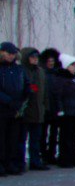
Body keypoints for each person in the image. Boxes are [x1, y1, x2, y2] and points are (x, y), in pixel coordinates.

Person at [50, 53, 75, 168]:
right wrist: (60, 110)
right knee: (66, 136)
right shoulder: (61, 79)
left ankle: (74, 159)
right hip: (66, 112)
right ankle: (65, 159)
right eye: (72, 65)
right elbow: (58, 96)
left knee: (74, 137)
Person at [0, 42, 29, 176]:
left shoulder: (19, 69)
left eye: (13, 54)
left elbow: (26, 84)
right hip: (3, 109)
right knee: (2, 138)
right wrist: (8, 100)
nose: (11, 56)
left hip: (16, 110)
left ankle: (10, 163)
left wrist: (26, 94)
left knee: (13, 138)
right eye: (8, 53)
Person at [17, 47, 47, 172]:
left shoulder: (40, 71)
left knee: (36, 139)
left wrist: (45, 107)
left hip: (38, 110)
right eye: (32, 57)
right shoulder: (22, 71)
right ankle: (20, 162)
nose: (35, 60)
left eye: (36, 57)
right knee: (21, 140)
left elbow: (44, 91)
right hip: (25, 111)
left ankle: (35, 161)